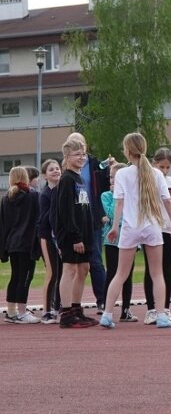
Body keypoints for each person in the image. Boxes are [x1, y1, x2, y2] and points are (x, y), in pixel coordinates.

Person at [99, 133, 171, 329]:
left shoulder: (121, 174)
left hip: (130, 227)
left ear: (127, 151)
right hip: (152, 227)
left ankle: (107, 315)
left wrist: (113, 227)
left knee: (120, 273)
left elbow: (119, 202)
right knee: (157, 273)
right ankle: (161, 315)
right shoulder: (157, 174)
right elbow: (167, 201)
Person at [55, 138, 99, 328]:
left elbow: (83, 209)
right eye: (76, 154)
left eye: (83, 154)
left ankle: (76, 309)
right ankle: (66, 314)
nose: (81, 158)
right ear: (67, 157)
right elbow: (66, 211)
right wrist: (75, 237)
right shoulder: (66, 179)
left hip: (84, 233)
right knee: (70, 269)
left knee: (83, 269)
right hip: (71, 235)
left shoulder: (80, 178)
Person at [142, 147, 171, 325]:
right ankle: (151, 309)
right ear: (154, 164)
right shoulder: (148, 181)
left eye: (168, 167)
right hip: (151, 229)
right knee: (151, 269)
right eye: (161, 167)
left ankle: (166, 308)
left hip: (167, 229)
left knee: (165, 268)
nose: (164, 170)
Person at [66, 132, 111, 313]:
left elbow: (107, 186)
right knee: (69, 268)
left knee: (94, 263)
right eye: (74, 146)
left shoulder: (95, 165)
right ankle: (66, 307)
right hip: (74, 224)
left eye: (81, 147)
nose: (80, 154)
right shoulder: (66, 172)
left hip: (93, 220)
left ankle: (102, 300)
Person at [0, 166, 41, 323]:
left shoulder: (6, 198)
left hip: (11, 243)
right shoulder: (33, 196)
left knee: (15, 276)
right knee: (25, 277)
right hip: (26, 242)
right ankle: (22, 312)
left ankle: (11, 312)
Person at [101, 163, 137, 322]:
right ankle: (106, 306)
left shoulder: (131, 195)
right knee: (112, 272)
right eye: (111, 178)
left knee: (128, 274)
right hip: (112, 241)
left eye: (116, 178)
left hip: (129, 237)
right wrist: (117, 195)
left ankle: (126, 309)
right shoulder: (107, 196)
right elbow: (110, 212)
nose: (112, 181)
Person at [38, 159, 62, 324]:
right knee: (52, 272)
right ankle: (46, 311)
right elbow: (44, 218)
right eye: (51, 169)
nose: (56, 171)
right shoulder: (45, 194)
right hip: (47, 236)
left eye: (57, 168)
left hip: (61, 237)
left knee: (62, 273)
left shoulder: (62, 191)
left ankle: (57, 306)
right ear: (45, 175)